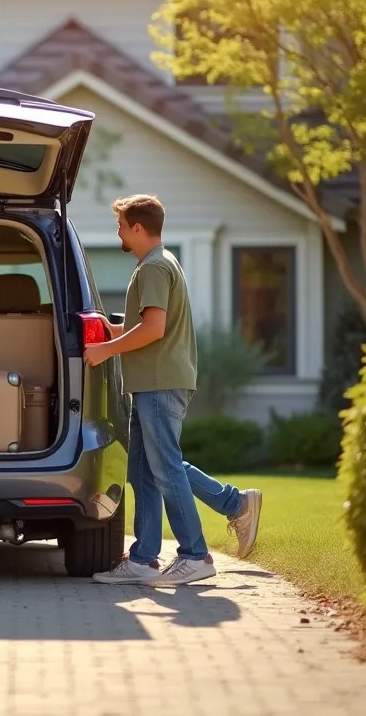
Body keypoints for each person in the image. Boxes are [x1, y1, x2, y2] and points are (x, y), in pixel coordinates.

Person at [84, 194, 262, 586]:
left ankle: (196, 555)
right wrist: (111, 332)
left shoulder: (153, 269)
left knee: (163, 469)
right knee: (145, 472)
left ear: (137, 228)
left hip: (161, 384)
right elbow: (146, 328)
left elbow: (154, 329)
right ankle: (144, 560)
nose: (118, 232)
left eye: (121, 226)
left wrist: (106, 350)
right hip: (153, 381)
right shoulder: (159, 263)